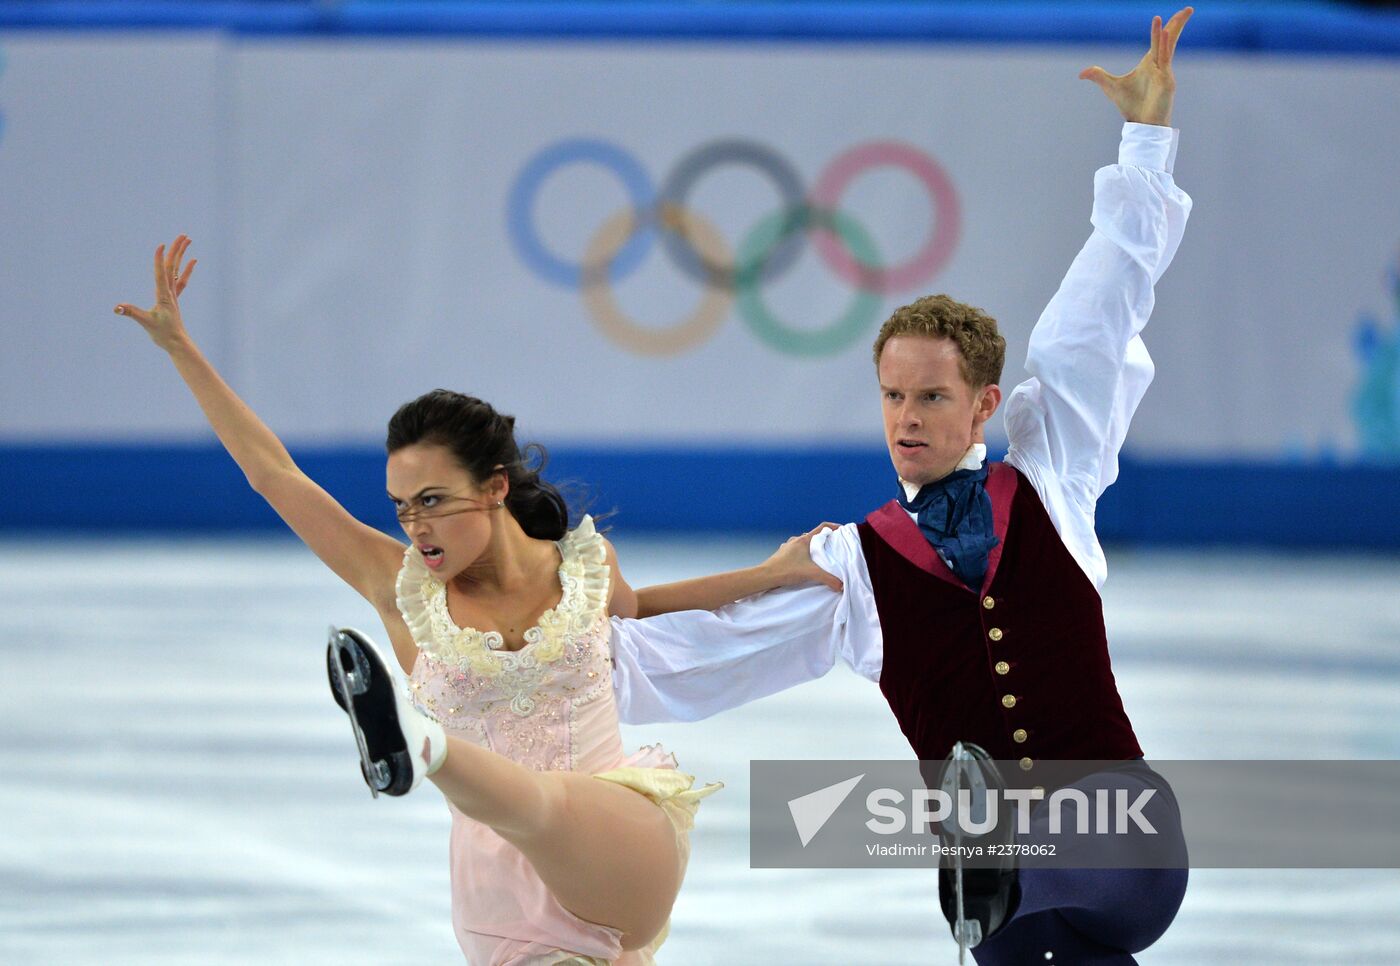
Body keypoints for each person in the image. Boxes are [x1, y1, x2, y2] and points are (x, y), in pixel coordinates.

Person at [604, 9, 1197, 964]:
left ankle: (997, 866)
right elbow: (701, 658)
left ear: (984, 406)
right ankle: (995, 872)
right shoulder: (853, 567)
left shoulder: (1055, 478)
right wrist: (536, 660)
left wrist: (1145, 140)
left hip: (1125, 848)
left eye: (931, 396)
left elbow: (1104, 302)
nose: (907, 417)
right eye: (891, 396)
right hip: (1007, 906)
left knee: (1042, 867)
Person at [111, 242, 838, 966]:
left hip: (622, 838)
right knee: (524, 818)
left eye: (432, 502)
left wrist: (770, 572)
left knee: (546, 803)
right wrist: (180, 350)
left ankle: (420, 746)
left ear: (494, 488)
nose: (416, 528)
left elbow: (644, 610)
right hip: (499, 898)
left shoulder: (584, 567)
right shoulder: (400, 591)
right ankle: (427, 749)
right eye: (401, 508)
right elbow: (274, 475)